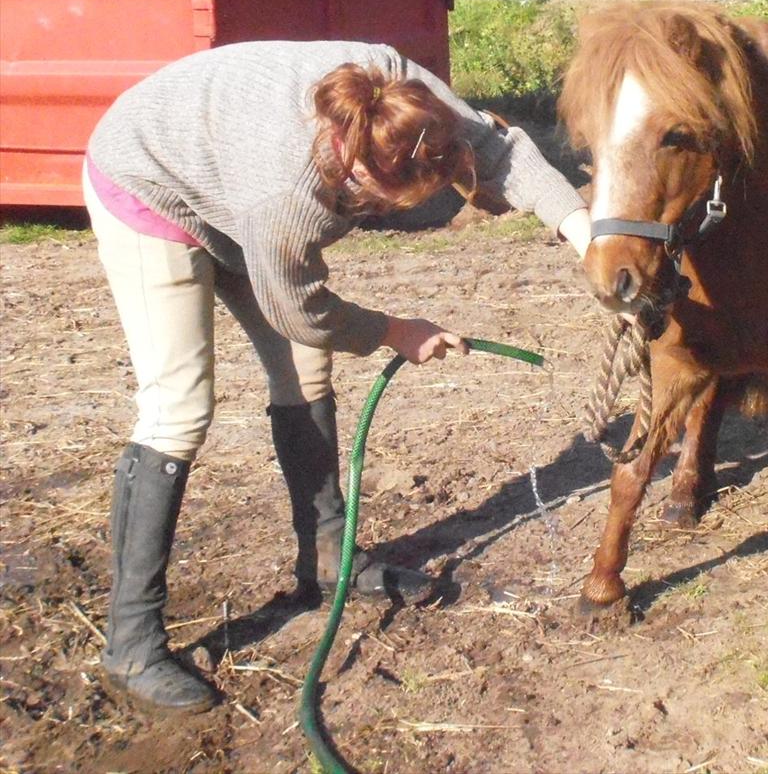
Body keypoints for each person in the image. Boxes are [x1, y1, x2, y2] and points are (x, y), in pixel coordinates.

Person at [84, 40, 593, 715]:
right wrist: (395, 331)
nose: (391, 217)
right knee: (179, 407)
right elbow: (300, 310)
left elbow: (500, 152)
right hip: (151, 175)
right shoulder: (290, 197)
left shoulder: (408, 97)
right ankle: (131, 642)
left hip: (228, 163)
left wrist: (588, 232)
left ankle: (330, 562)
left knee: (304, 373)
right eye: (390, 207)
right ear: (359, 177)